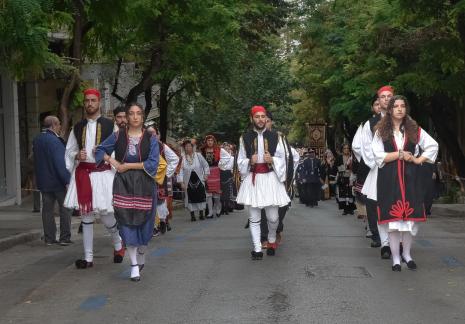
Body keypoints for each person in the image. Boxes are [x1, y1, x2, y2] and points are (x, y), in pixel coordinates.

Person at [372, 95, 438, 271]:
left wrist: (418, 160)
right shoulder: (381, 131)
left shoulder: (414, 130)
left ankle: (407, 254)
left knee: (408, 222)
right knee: (393, 223)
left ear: (406, 109)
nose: (400, 109)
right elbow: (378, 155)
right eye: (396, 106)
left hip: (410, 178)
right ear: (390, 110)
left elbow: (433, 146)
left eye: (403, 106)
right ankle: (395, 258)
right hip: (389, 178)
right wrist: (400, 154)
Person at [95, 102, 159, 281]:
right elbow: (99, 150)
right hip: (123, 184)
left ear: (143, 116)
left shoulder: (151, 138)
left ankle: (141, 252)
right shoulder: (117, 136)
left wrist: (127, 165)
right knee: (125, 222)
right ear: (127, 117)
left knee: (145, 224)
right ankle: (133, 265)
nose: (135, 117)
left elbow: (153, 163)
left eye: (139, 113)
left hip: (145, 185)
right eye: (131, 113)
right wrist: (114, 163)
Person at [64, 88, 125, 269]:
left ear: (99, 103)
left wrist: (104, 153)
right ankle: (88, 258)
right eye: (87, 101)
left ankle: (118, 245)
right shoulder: (77, 127)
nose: (89, 103)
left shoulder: (110, 125)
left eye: (93, 100)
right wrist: (77, 156)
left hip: (103, 175)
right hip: (83, 175)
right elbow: (69, 150)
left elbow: (118, 150)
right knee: (86, 217)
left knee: (107, 217)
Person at [236, 105, 290, 259]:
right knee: (254, 218)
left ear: (266, 118)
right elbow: (239, 160)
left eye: (262, 116)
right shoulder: (244, 138)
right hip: (253, 180)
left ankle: (272, 239)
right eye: (257, 117)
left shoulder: (276, 137)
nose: (260, 120)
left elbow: (283, 159)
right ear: (251, 119)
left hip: (270, 179)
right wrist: (248, 161)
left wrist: (272, 159)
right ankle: (257, 249)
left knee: (273, 218)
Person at [360, 85, 394, 257]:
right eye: (383, 97)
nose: (386, 99)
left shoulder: (405, 120)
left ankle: (399, 242)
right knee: (379, 206)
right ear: (378, 102)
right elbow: (365, 147)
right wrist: (378, 162)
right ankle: (385, 244)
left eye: (389, 96)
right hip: (380, 169)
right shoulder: (371, 124)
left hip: (400, 170)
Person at [260, 111, 299, 247]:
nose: (264, 122)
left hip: (278, 178)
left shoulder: (279, 137)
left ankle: (277, 228)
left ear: (271, 122)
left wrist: (276, 164)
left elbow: (289, 157)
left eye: (267, 120)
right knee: (263, 207)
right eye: (261, 119)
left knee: (280, 207)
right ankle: (264, 237)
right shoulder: (253, 137)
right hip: (261, 179)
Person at [32, 116, 72, 245]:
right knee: (65, 209)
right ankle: (64, 238)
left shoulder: (37, 139)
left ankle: (49, 238)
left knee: (47, 210)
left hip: (44, 181)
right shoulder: (55, 141)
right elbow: (60, 163)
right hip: (58, 182)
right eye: (59, 124)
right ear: (54, 125)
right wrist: (67, 181)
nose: (60, 126)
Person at [145, 121, 179, 233]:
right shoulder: (142, 145)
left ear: (157, 133)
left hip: (159, 179)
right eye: (148, 133)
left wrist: (166, 173)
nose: (151, 135)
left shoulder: (162, 146)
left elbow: (175, 159)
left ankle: (160, 224)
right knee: (149, 202)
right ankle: (156, 225)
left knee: (159, 201)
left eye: (153, 133)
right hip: (146, 178)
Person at [177, 140, 210, 221]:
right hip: (188, 180)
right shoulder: (182, 157)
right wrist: (181, 182)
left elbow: (205, 165)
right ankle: (192, 215)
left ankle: (201, 213)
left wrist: (206, 175)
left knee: (201, 196)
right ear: (184, 148)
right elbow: (180, 170)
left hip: (199, 179)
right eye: (186, 146)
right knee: (190, 197)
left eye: (189, 146)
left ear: (192, 147)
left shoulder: (198, 155)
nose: (188, 148)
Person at [201, 135, 231, 218]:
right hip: (206, 172)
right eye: (208, 140)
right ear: (206, 141)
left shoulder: (218, 149)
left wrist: (220, 164)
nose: (210, 142)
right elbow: (200, 161)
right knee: (208, 194)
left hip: (216, 171)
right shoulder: (202, 150)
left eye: (211, 140)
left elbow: (228, 157)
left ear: (214, 141)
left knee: (216, 193)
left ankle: (218, 208)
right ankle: (210, 212)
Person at [335, 144, 356, 215]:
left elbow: (356, 167)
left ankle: (351, 209)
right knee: (343, 193)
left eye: (347, 148)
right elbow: (336, 167)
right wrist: (343, 168)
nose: (346, 149)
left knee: (351, 193)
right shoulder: (339, 158)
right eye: (344, 148)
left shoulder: (352, 157)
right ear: (342, 149)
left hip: (351, 178)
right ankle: (345, 209)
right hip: (342, 178)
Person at [219, 142, 235, 215]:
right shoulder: (220, 156)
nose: (226, 148)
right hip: (221, 173)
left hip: (228, 174)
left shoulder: (232, 157)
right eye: (225, 147)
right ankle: (222, 207)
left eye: (227, 147)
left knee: (228, 192)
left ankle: (227, 208)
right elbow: (220, 165)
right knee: (222, 192)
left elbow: (232, 167)